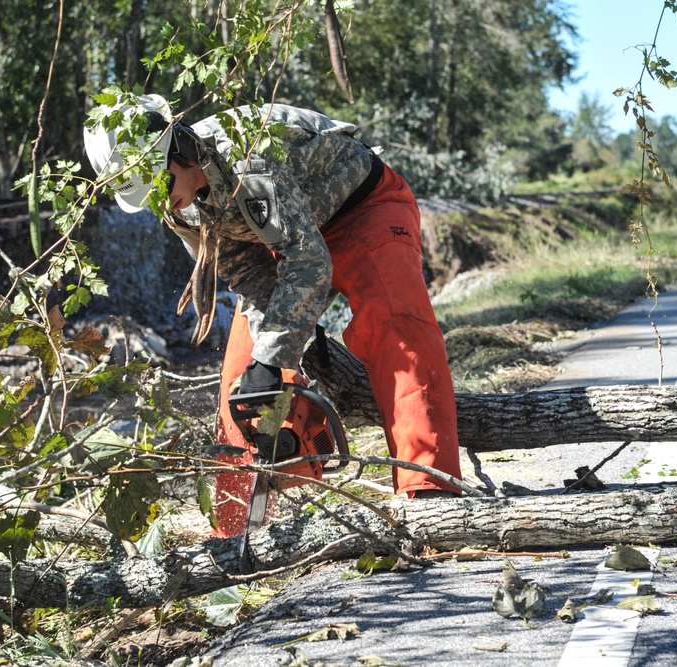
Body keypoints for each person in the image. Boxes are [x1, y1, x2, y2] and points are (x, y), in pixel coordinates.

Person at [83, 95, 464, 535]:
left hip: (364, 211)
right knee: (241, 382)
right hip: (284, 240)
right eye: (149, 197)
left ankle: (429, 496)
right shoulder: (177, 204)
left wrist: (276, 357)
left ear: (180, 150)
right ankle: (234, 530)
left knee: (398, 330)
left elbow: (310, 263)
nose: (163, 203)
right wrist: (274, 365)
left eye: (161, 187)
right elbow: (249, 273)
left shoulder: (248, 156)